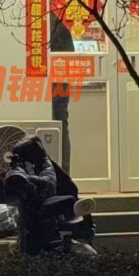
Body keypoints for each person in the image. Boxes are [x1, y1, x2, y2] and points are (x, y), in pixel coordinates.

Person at [49, 10, 75, 174]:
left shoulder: (47, 21)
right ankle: (63, 175)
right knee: (60, 124)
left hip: (53, 83)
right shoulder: (57, 20)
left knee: (57, 124)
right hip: (60, 82)